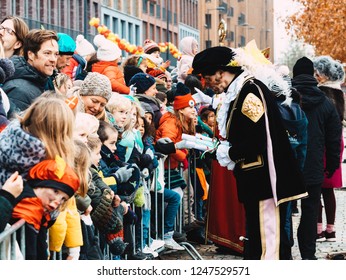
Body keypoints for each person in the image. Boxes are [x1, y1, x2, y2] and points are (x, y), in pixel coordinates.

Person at [192, 46, 308, 260]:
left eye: (207, 77)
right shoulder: (241, 91)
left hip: (264, 180)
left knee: (268, 243)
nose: (206, 84)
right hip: (255, 180)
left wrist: (229, 151)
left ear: (220, 71)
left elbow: (257, 140)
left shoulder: (250, 92)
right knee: (259, 240)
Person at [292, 56, 342, 260]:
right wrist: (331, 165)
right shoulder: (326, 103)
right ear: (312, 75)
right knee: (310, 209)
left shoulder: (284, 98)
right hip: (313, 165)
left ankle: (284, 252)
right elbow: (333, 138)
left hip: (289, 165)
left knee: (286, 210)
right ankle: (308, 254)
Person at [11, 156, 80, 260]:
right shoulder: (28, 207)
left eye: (63, 199)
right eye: (55, 191)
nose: (57, 201)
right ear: (39, 184)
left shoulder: (41, 212)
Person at [312, 55, 345, 243]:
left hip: (322, 141)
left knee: (317, 187)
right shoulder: (338, 92)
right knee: (328, 188)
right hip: (335, 140)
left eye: (318, 72)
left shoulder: (321, 92)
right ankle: (330, 229)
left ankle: (318, 228)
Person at [2, 29, 59, 114]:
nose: (53, 59)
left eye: (56, 54)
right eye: (47, 53)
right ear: (31, 55)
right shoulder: (19, 91)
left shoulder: (41, 83)